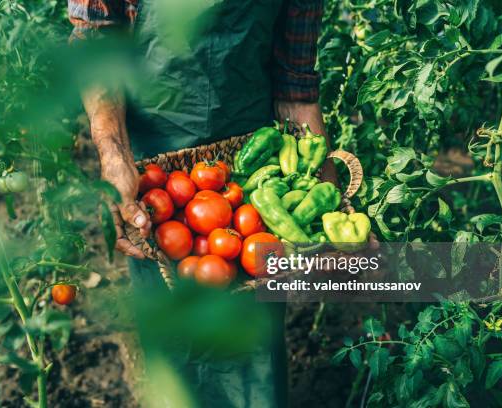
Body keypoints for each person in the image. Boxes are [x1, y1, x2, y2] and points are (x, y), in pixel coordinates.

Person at [68, 0, 335, 406]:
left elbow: (296, 84)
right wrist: (114, 157)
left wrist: (324, 193)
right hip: (156, 164)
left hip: (247, 165)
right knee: (172, 320)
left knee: (252, 331)